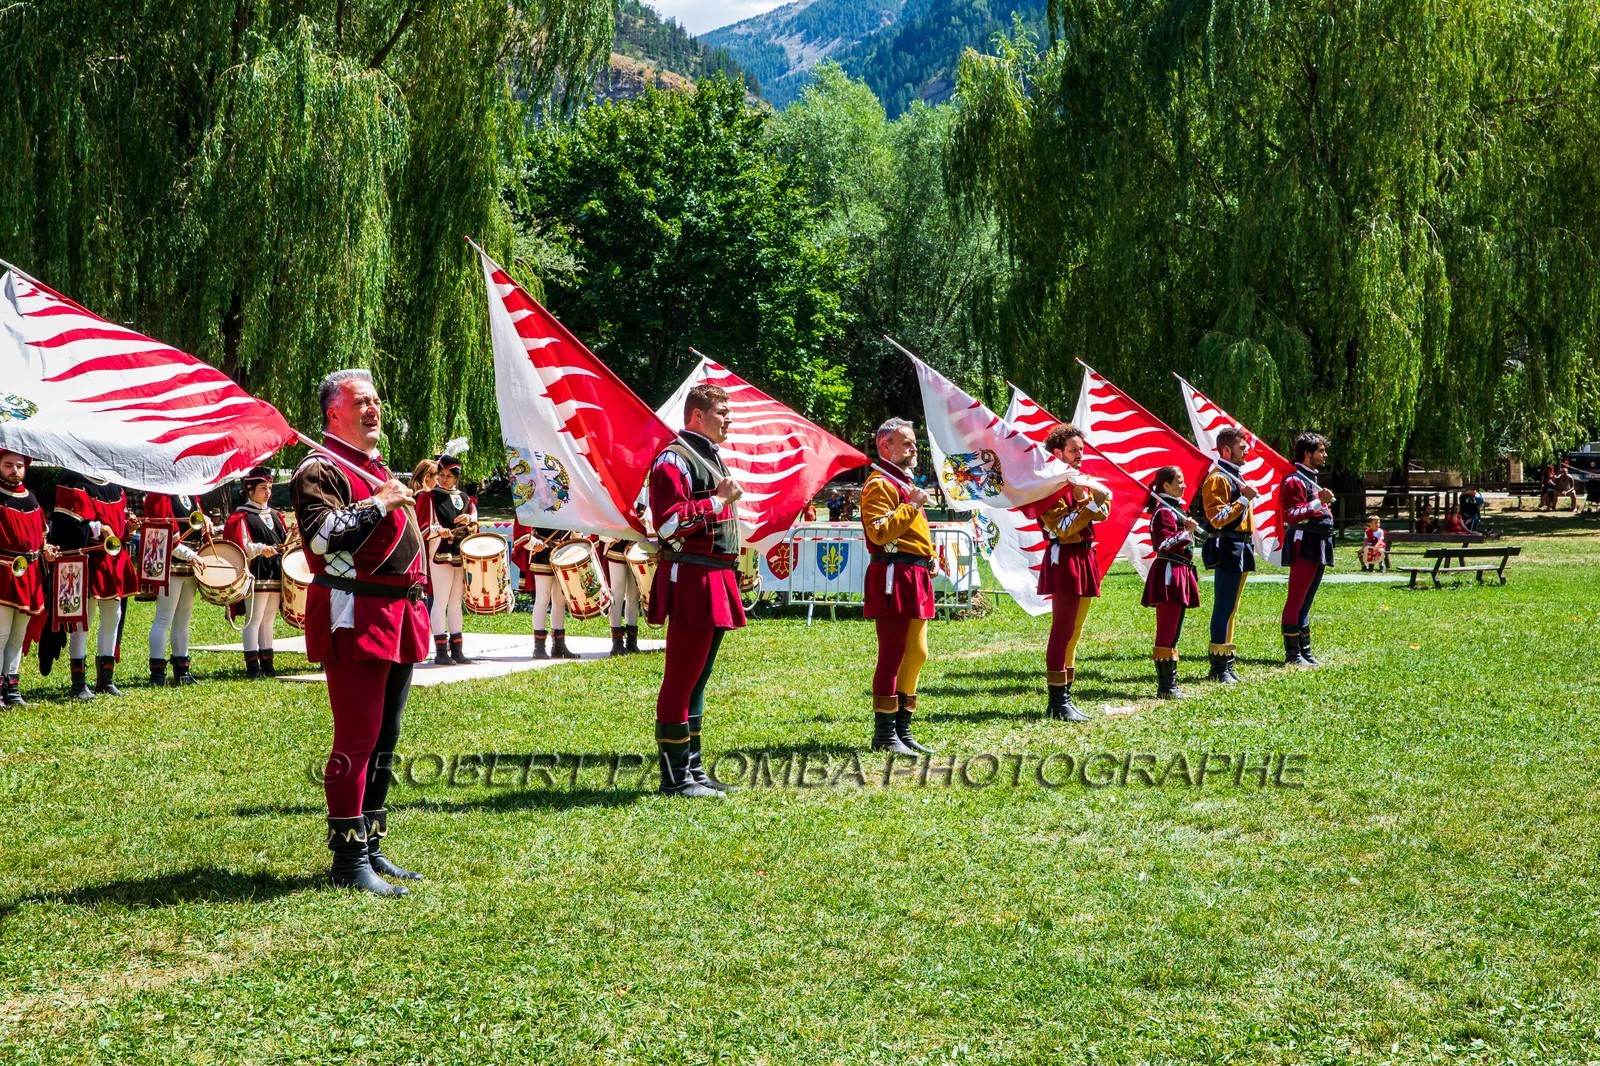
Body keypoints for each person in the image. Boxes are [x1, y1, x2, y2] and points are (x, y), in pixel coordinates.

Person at [291, 368, 430, 896]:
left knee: (386, 737)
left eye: (376, 401)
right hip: (355, 614)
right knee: (357, 738)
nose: (374, 409)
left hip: (396, 614)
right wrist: (381, 502)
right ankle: (348, 862)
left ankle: (370, 844)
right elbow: (322, 541)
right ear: (334, 413)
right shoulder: (317, 469)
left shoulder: (371, 467)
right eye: (362, 403)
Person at [649, 383, 746, 797]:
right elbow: (667, 524)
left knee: (700, 678)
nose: (729, 419)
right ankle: (675, 779)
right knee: (681, 678)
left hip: (714, 575)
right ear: (696, 415)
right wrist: (717, 502)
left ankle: (692, 768)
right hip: (692, 577)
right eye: (721, 411)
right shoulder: (674, 458)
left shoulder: (709, 456)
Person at [860, 418, 938, 751]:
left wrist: (930, 555)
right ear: (885, 446)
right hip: (893, 575)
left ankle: (903, 729)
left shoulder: (902, 483)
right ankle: (884, 734)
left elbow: (912, 533)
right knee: (892, 655)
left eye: (913, 442)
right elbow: (880, 532)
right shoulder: (880, 484)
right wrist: (912, 504)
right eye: (905, 442)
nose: (913, 447)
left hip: (914, 574)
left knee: (917, 653)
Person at [1034, 424, 1111, 721]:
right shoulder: (1048, 487)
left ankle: (1067, 695)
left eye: (1081, 448)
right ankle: (1057, 702)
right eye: (1074, 450)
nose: (1081, 454)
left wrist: (1092, 498)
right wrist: (1092, 503)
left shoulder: (1079, 480)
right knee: (1062, 629)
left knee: (1075, 631)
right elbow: (1063, 528)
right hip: (1064, 556)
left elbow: (1101, 513)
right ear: (1058, 453)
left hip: (1083, 555)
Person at [50, 470, 139, 699]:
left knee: (113, 616)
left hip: (113, 560)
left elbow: (118, 530)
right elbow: (66, 525)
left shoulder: (115, 486)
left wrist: (127, 530)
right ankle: (79, 684)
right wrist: (98, 528)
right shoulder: (73, 482)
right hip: (88, 560)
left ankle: (105, 680)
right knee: (83, 620)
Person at [1200, 426, 1258, 684]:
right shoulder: (1218, 479)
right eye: (1242, 447)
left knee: (1232, 607)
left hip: (1241, 545)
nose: (1247, 451)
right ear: (1226, 449)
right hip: (1227, 546)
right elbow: (1217, 517)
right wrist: (1243, 500)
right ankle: (1218, 666)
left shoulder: (1234, 476)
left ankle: (1227, 662)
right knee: (1223, 606)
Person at [141, 490, 213, 686]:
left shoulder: (191, 495)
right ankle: (157, 673)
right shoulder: (159, 496)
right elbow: (165, 537)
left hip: (190, 564)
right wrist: (191, 556)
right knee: (164, 618)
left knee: (184, 619)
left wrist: (206, 522)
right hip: (169, 565)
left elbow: (195, 524)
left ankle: (182, 669)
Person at [0, 450, 54, 706]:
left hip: (29, 573)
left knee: (18, 635)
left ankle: (12, 688)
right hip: (3, 572)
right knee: (0, 634)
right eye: (8, 465)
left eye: (19, 465)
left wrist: (46, 551)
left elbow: (40, 537)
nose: (14, 470)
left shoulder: (31, 499)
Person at [1141, 466, 1200, 700]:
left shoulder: (1174, 509)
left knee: (1175, 630)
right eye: (1179, 481)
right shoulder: (1164, 512)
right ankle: (1166, 686)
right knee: (1167, 630)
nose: (1183, 486)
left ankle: (1171, 682)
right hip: (1169, 571)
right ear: (1166, 485)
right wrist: (1186, 532)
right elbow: (1162, 544)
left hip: (1181, 570)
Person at [225, 466, 289, 679]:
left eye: (270, 487)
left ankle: (268, 664)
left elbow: (284, 542)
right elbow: (241, 547)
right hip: (257, 572)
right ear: (249, 489)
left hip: (275, 572)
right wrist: (261, 548)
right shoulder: (242, 516)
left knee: (269, 618)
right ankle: (252, 665)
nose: (268, 492)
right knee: (254, 618)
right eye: (263, 488)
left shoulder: (276, 515)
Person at [1280, 432, 1336, 667]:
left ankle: (1305, 650)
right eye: (1320, 451)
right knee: (1296, 598)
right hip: (1304, 543)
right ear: (1307, 453)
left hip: (1320, 542)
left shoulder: (1311, 479)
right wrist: (1317, 502)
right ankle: (1293, 654)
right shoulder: (1294, 481)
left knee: (1307, 599)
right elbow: (1291, 515)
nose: (1324, 455)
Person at [415, 454, 477, 666]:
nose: (444, 479)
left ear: (457, 477)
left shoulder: (465, 498)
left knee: (455, 602)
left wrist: (469, 520)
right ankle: (441, 650)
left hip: (460, 553)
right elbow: (420, 527)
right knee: (440, 601)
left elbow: (474, 525)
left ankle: (457, 648)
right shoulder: (429, 497)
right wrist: (438, 530)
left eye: (449, 476)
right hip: (440, 553)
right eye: (441, 475)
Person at [524, 526, 580, 659]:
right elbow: (525, 522)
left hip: (563, 554)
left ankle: (559, 646)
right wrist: (533, 542)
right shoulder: (536, 504)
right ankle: (539, 648)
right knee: (542, 599)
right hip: (542, 553)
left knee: (560, 601)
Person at [602, 537, 641, 656]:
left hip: (636, 545)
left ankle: (632, 641)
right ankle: (617, 643)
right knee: (617, 594)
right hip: (616, 545)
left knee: (634, 595)